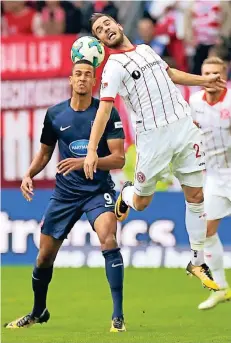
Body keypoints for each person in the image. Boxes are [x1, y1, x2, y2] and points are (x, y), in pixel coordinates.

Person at [83, 13, 226, 291]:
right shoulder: (113, 67)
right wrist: (91, 149)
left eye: (107, 24)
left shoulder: (147, 50)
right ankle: (126, 193)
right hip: (153, 139)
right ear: (101, 41)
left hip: (184, 128)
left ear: (119, 25)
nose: (105, 29)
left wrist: (203, 81)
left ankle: (196, 260)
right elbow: (104, 108)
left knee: (196, 196)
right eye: (99, 30)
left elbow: (170, 74)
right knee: (142, 202)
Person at [5, 60, 126, 333]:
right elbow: (45, 153)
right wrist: (28, 174)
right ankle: (38, 311)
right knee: (44, 257)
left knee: (109, 239)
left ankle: (118, 317)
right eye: (78, 75)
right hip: (66, 194)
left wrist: (84, 161)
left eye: (88, 75)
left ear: (94, 82)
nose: (82, 79)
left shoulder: (106, 112)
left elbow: (118, 158)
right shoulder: (55, 114)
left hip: (98, 191)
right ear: (70, 80)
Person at [189, 57, 231, 310]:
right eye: (207, 73)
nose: (211, 77)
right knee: (206, 232)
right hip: (215, 176)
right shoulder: (194, 102)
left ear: (224, 76)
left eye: (216, 73)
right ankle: (222, 288)